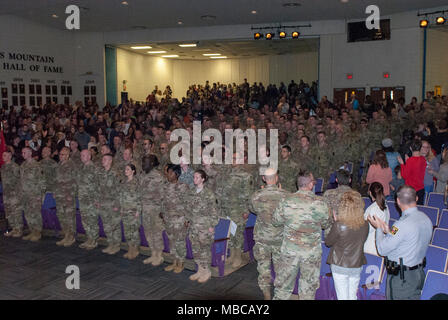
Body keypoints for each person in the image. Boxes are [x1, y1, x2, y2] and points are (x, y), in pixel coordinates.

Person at [272, 171, 332, 300]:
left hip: (289, 251)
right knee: (308, 289)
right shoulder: (321, 203)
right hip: (311, 253)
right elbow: (327, 224)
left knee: (282, 287)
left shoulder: (286, 200)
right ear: (311, 185)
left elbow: (276, 221)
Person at [368, 185, 433, 300]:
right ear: (416, 198)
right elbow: (408, 240)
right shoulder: (426, 219)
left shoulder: (401, 224)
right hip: (418, 274)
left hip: (402, 279)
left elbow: (382, 249)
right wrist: (388, 231)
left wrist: (378, 228)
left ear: (398, 201)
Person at [249, 168, 291, 300]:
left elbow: (253, 209)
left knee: (263, 267)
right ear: (276, 178)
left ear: (263, 178)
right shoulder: (286, 195)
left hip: (263, 237)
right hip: (280, 238)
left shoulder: (257, 195)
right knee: (280, 268)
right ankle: (280, 294)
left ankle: (266, 292)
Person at [325, 190, 369, 300]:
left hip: (340, 265)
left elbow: (328, 242)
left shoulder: (339, 225)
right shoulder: (365, 225)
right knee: (352, 296)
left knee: (343, 297)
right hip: (357, 264)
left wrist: (335, 223)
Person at [215, 152, 255, 269]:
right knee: (230, 232)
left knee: (238, 233)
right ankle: (232, 254)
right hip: (226, 208)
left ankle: (238, 255)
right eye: (232, 158)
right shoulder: (226, 173)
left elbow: (248, 195)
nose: (233, 160)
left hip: (238, 209)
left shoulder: (246, 176)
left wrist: (246, 210)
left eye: (235, 158)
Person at [186, 170, 219, 283]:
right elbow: (188, 208)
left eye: (197, 177)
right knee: (196, 248)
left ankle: (206, 271)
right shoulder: (191, 192)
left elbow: (214, 211)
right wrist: (188, 220)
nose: (194, 179)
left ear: (203, 179)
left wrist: (212, 225)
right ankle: (200, 270)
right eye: (194, 177)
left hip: (204, 226)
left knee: (204, 249)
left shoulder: (209, 193)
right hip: (194, 226)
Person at [162, 164, 189, 273]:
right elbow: (163, 202)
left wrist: (187, 219)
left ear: (176, 174)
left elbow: (188, 204)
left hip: (179, 219)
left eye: (170, 172)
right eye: (168, 172)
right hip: (168, 218)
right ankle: (174, 261)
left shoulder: (183, 187)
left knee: (180, 241)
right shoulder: (165, 186)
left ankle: (181, 263)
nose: (168, 175)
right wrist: (163, 215)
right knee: (171, 241)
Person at [140, 155, 166, 266]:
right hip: (145, 209)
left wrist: (162, 211)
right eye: (142, 162)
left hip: (155, 210)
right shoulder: (142, 175)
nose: (142, 164)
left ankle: (159, 255)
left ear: (151, 164)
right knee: (148, 231)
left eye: (145, 162)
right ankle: (153, 253)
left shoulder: (158, 176)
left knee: (156, 232)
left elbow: (163, 195)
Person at [98, 153, 122, 255]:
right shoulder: (101, 173)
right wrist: (98, 201)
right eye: (102, 159)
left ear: (110, 161)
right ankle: (110, 243)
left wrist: (117, 204)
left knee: (114, 225)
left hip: (112, 204)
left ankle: (116, 245)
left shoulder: (115, 173)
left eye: (105, 159)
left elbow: (119, 190)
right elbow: (99, 188)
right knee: (106, 225)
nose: (103, 161)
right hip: (103, 204)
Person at [54, 147, 78, 247]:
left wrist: (71, 194)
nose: (61, 156)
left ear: (68, 155)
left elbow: (75, 181)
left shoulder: (72, 166)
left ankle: (71, 237)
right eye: (60, 154)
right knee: (61, 216)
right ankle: (66, 235)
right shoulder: (58, 165)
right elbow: (56, 180)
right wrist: (55, 192)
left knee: (69, 217)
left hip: (68, 195)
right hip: (60, 195)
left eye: (63, 154)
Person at [20, 147, 45, 242]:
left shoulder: (37, 165)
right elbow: (21, 180)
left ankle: (37, 232)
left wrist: (40, 195)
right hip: (25, 194)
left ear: (30, 153)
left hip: (34, 194)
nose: (23, 154)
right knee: (27, 213)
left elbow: (42, 181)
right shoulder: (23, 165)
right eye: (22, 152)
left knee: (35, 213)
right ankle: (32, 230)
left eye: (25, 152)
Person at [77, 149, 99, 250]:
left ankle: (94, 240)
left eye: (84, 155)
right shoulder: (81, 168)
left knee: (92, 219)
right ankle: (89, 238)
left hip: (91, 199)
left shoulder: (93, 168)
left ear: (89, 156)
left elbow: (98, 185)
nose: (82, 157)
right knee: (85, 219)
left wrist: (97, 199)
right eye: (81, 155)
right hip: (83, 198)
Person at [120, 164, 142, 260]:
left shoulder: (136, 182)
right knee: (127, 231)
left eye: (128, 169)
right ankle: (130, 248)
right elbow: (121, 196)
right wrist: (121, 208)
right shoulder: (123, 182)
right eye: (125, 169)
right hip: (125, 210)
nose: (126, 170)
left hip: (133, 210)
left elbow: (140, 197)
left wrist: (138, 210)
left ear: (133, 171)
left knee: (134, 231)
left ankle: (135, 249)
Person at [364, 182, 390, 255]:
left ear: (370, 193)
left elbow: (366, 229)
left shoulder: (372, 209)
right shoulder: (385, 206)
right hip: (382, 245)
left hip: (370, 247)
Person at [397, 140, 426, 205]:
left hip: (411, 190)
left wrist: (402, 164)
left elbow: (404, 175)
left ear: (410, 148)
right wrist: (407, 162)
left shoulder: (410, 161)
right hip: (420, 188)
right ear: (420, 148)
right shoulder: (423, 159)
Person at [1, 150, 23, 237]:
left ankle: (19, 229)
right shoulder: (3, 167)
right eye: (3, 155)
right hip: (6, 193)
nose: (3, 157)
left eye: (5, 155)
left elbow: (19, 180)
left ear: (10, 156)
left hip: (14, 193)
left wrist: (18, 193)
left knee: (16, 211)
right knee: (9, 212)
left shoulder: (15, 167)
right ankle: (14, 228)